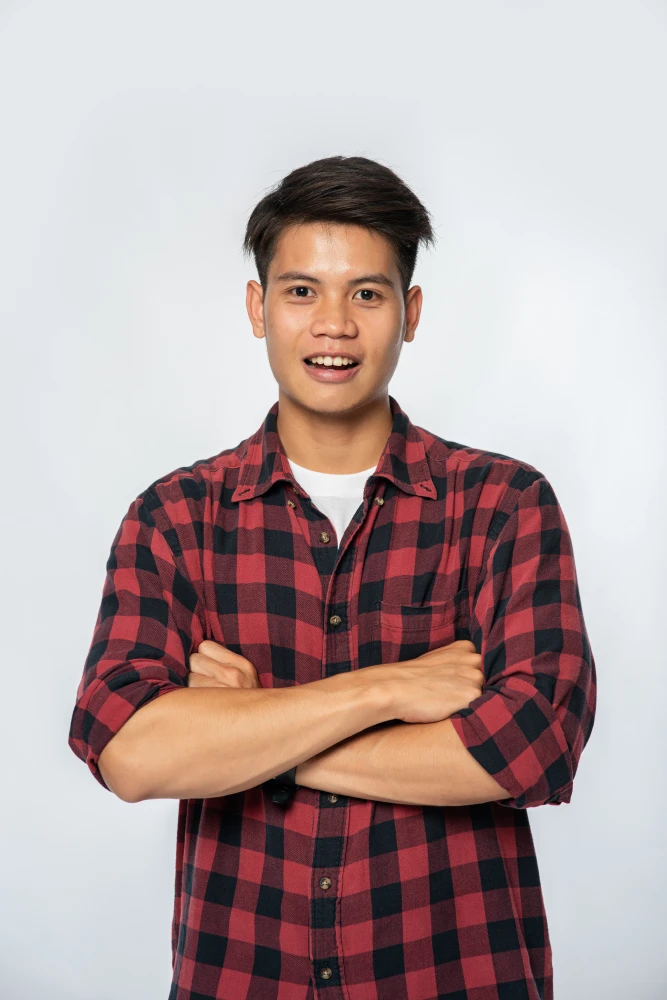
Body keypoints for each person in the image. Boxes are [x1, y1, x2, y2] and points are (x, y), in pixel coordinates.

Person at [68, 155, 597, 1000]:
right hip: (242, 979)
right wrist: (387, 689)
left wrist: (241, 734)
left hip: (457, 979)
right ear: (258, 308)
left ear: (409, 312)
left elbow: (529, 748)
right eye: (301, 291)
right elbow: (127, 751)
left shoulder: (502, 505)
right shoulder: (176, 516)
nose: (334, 326)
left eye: (367, 293)